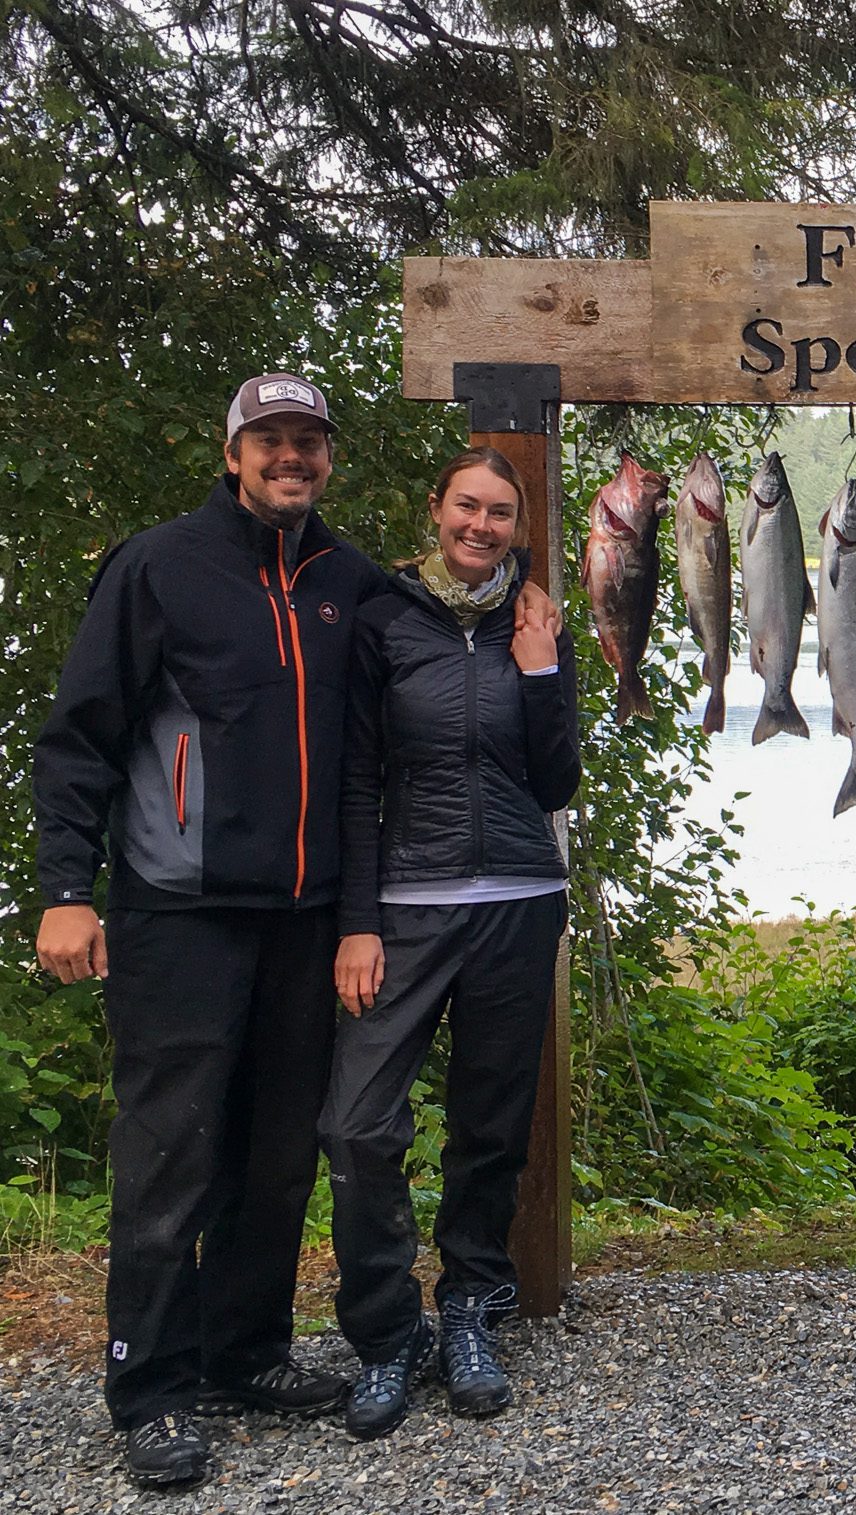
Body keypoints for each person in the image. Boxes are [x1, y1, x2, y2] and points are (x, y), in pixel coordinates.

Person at [32, 375, 560, 1488]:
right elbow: (80, 735)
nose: (291, 459)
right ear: (234, 454)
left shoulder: (348, 582)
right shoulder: (158, 565)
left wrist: (529, 636)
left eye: (308, 443)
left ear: (327, 459)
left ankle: (247, 1351)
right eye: (270, 441)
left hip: (312, 915)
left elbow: (438, 643)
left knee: (278, 1155)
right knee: (174, 1152)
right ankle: (154, 1387)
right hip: (178, 908)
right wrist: (65, 887)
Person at [323, 446, 579, 1440]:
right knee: (355, 1124)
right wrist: (354, 920)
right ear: (435, 510)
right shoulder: (383, 619)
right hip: (405, 903)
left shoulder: (536, 620)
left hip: (519, 900)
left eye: (501, 514)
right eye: (466, 507)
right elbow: (352, 782)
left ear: (517, 527)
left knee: (490, 1126)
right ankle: (390, 1332)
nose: (481, 526)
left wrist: (545, 670)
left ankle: (470, 1308)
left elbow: (555, 782)